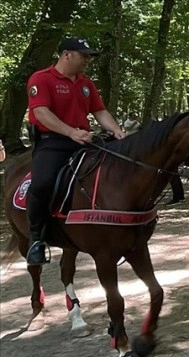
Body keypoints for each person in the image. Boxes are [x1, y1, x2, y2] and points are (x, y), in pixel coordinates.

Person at [25, 37, 125, 265]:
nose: (88, 60)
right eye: (84, 55)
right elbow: (41, 113)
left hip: (84, 140)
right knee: (42, 183)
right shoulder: (42, 79)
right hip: (53, 143)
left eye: (89, 56)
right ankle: (36, 239)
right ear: (66, 54)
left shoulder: (86, 84)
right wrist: (70, 132)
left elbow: (100, 112)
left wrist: (117, 131)